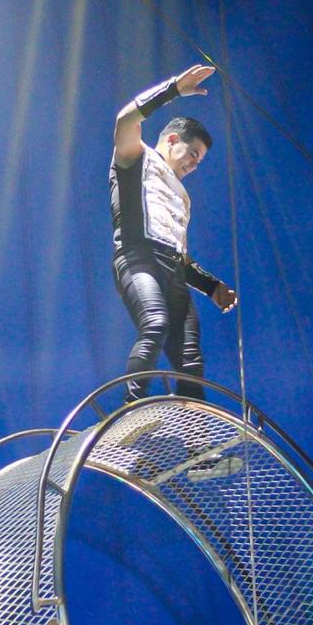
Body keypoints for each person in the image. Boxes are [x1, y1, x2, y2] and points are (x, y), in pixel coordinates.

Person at [109, 64, 237, 403]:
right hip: (138, 258)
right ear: (171, 140)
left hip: (172, 271)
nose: (194, 164)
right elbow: (125, 121)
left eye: (200, 161)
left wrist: (211, 286)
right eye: (193, 154)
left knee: (191, 359)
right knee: (155, 323)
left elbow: (179, 255)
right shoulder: (138, 158)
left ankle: (196, 433)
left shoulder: (183, 197)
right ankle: (132, 407)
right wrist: (173, 90)